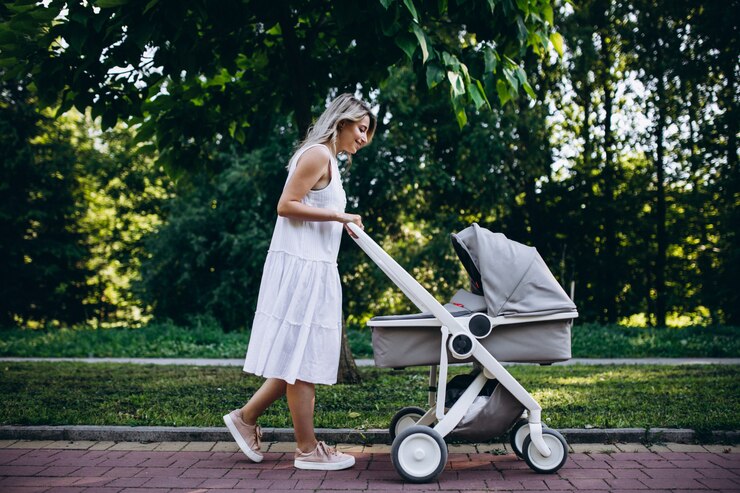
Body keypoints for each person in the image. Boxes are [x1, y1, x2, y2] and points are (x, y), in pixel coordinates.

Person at [223, 94, 376, 471]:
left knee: (296, 356)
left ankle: (245, 418)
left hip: (316, 265)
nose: (365, 138)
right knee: (303, 361)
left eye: (368, 131)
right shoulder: (318, 155)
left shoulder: (328, 160)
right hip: (302, 268)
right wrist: (339, 217)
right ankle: (307, 450)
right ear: (342, 121)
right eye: (361, 128)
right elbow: (285, 204)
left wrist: (340, 221)